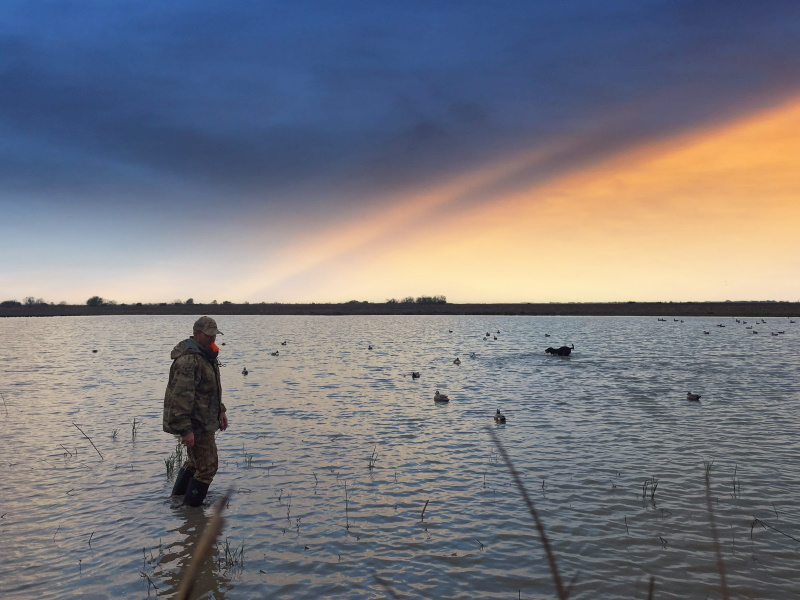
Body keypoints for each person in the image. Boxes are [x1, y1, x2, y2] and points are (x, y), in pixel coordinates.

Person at [163, 316, 228, 506]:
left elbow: (210, 389)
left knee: (194, 464)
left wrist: (221, 410)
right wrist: (185, 429)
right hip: (195, 423)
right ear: (196, 334)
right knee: (208, 467)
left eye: (214, 335)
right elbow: (180, 397)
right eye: (208, 336)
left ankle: (179, 504)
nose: (212, 340)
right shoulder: (189, 361)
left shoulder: (206, 354)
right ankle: (192, 511)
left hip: (204, 419)